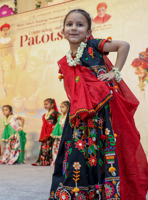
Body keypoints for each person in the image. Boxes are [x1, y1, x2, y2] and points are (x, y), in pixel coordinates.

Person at [48, 9, 148, 200]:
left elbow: (123, 45)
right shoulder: (65, 61)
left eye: (79, 24)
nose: (74, 28)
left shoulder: (94, 45)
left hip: (103, 115)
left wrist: (115, 72)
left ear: (87, 32)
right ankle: (81, 193)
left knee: (104, 154)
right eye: (69, 24)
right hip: (79, 117)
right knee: (78, 156)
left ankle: (109, 193)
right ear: (62, 31)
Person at [32, 98, 60, 166]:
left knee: (52, 147)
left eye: (47, 104)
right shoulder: (45, 115)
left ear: (52, 104)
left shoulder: (56, 114)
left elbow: (60, 122)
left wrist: (55, 126)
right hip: (45, 133)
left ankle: (51, 160)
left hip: (53, 134)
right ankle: (44, 160)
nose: (45, 106)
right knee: (45, 147)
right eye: (44, 104)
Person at [51, 101, 70, 167]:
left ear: (68, 108)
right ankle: (57, 162)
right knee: (56, 149)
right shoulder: (60, 117)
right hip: (58, 137)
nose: (61, 109)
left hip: (65, 137)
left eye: (63, 107)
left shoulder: (69, 117)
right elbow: (58, 126)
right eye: (60, 107)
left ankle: (64, 162)